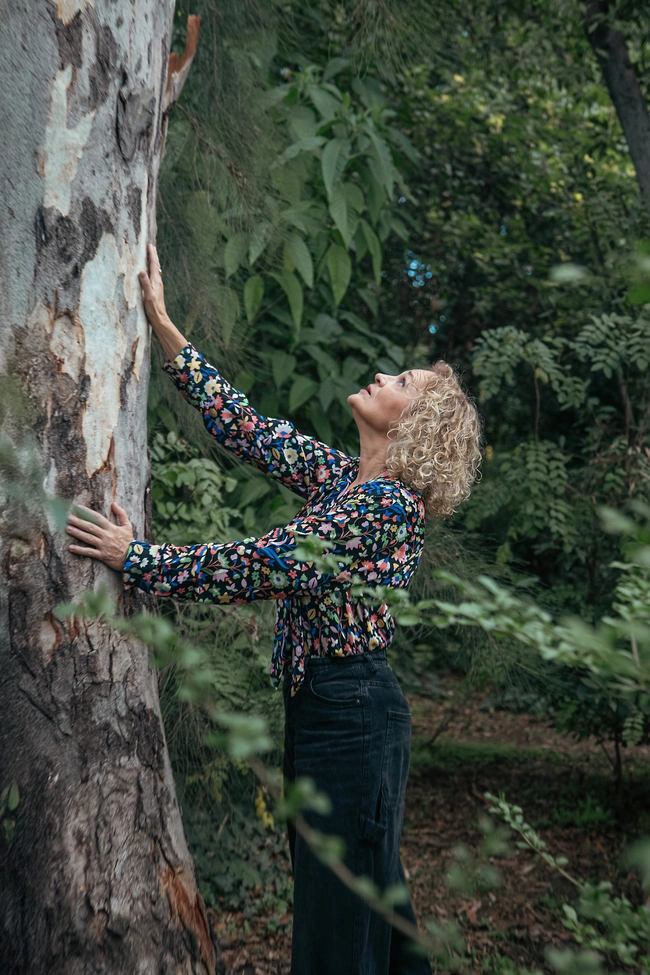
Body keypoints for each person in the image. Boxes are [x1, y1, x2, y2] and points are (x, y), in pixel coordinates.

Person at [66, 244, 482, 975]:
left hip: (351, 714)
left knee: (340, 930)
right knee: (375, 922)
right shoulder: (348, 481)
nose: (383, 373)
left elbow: (264, 563)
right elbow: (249, 428)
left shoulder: (384, 506)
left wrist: (136, 558)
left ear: (413, 426)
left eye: (402, 380)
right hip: (334, 710)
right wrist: (163, 323)